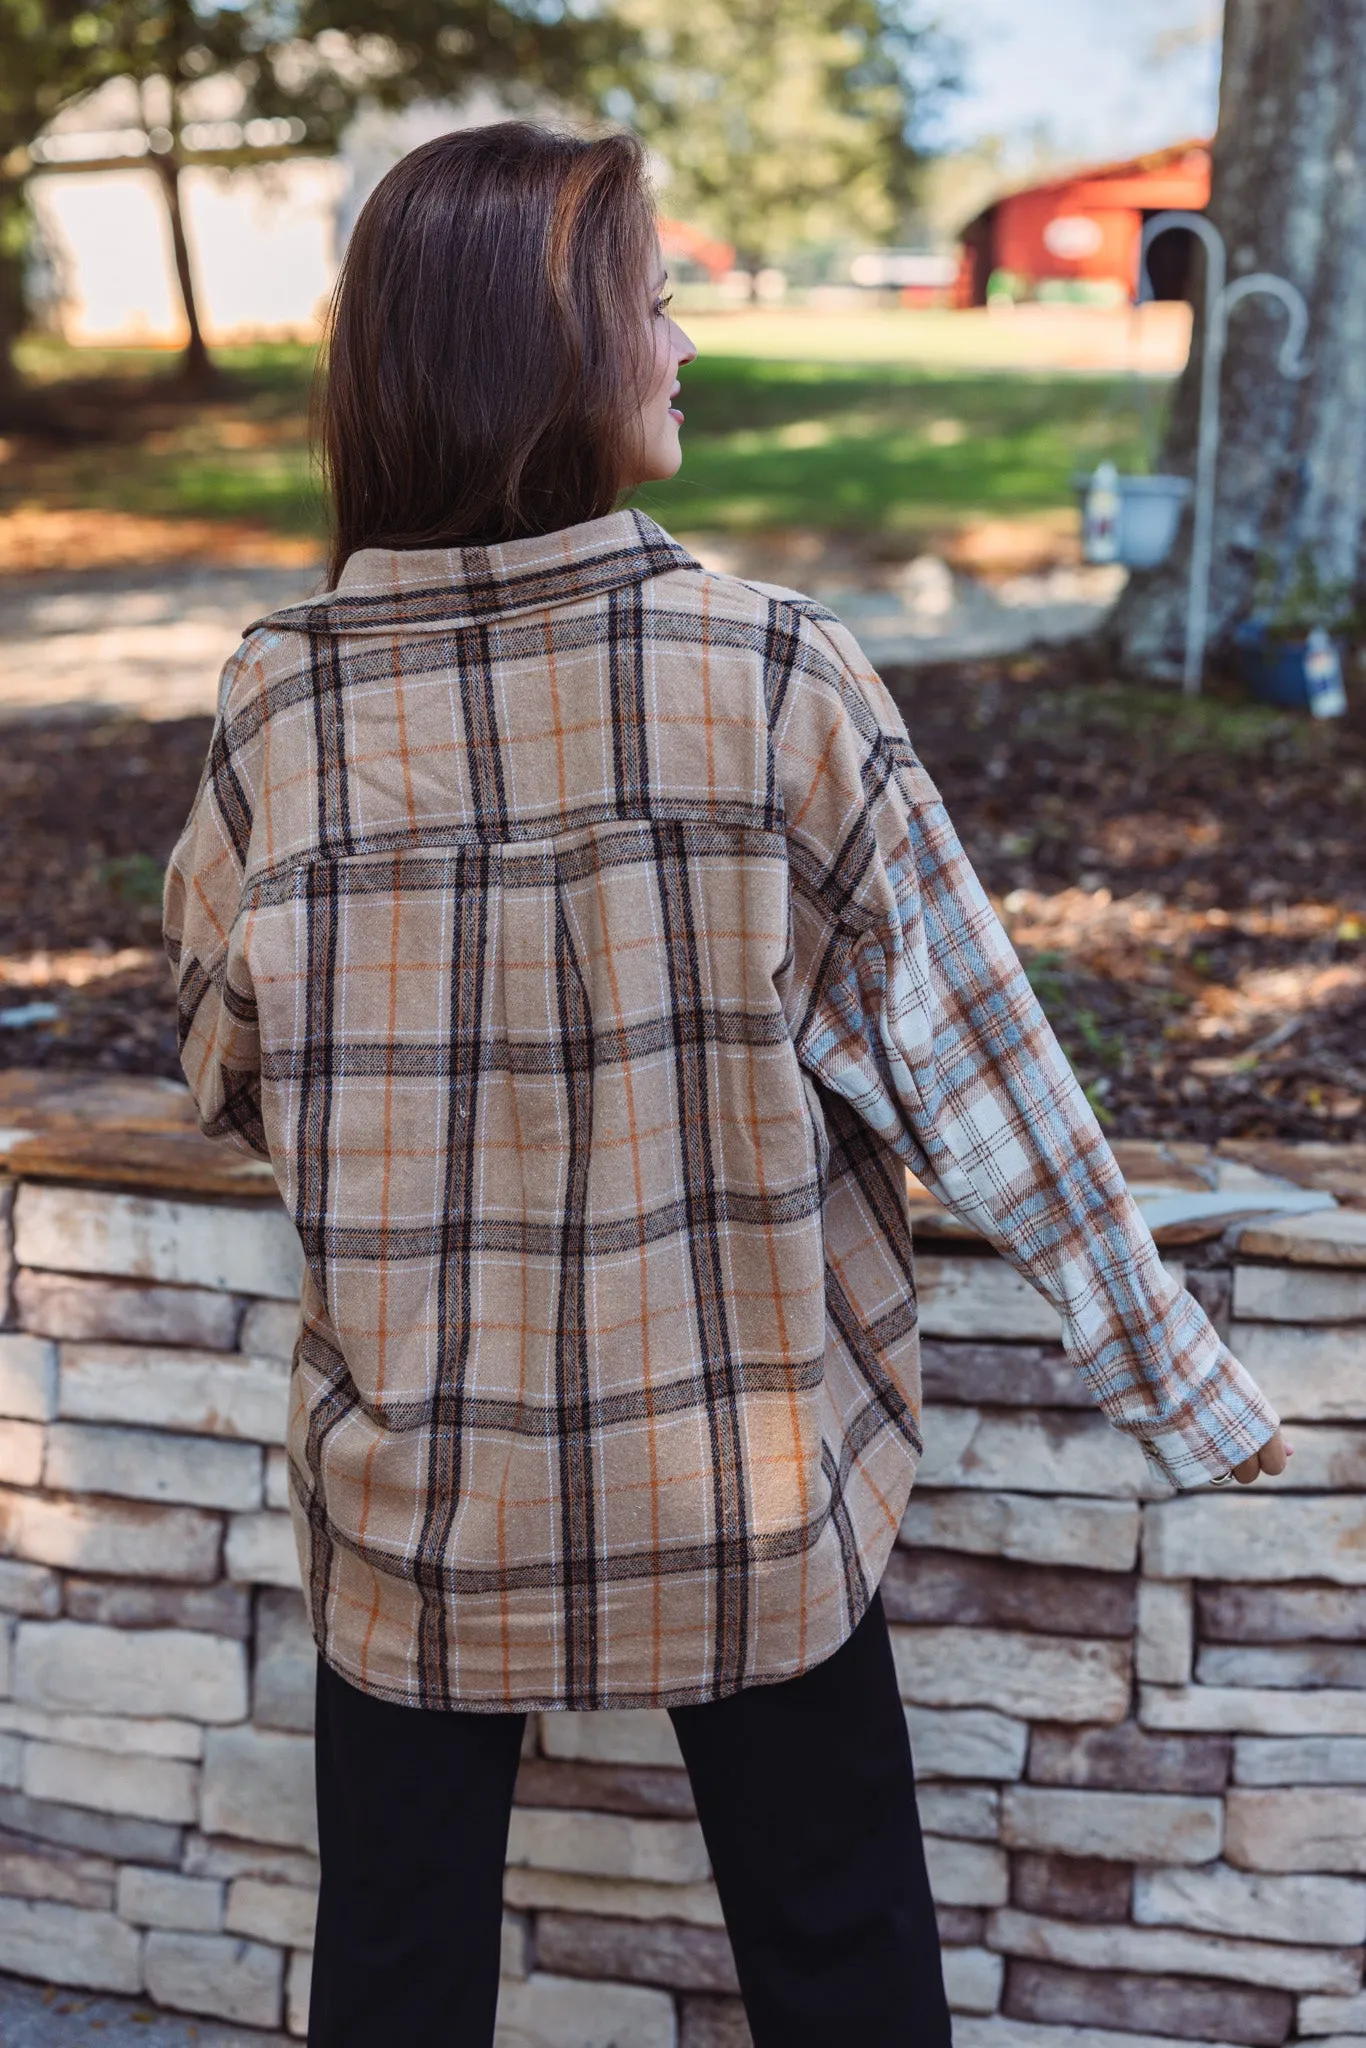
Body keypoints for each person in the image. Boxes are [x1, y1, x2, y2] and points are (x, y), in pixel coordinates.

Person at [164, 122, 1288, 2048]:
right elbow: (977, 1064)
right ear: (545, 360)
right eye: (657, 303)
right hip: (745, 1475)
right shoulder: (771, 675)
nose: (685, 344)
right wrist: (1181, 1384)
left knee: (397, 1973)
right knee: (839, 1947)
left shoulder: (287, 704)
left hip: (424, 1490)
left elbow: (226, 1062)